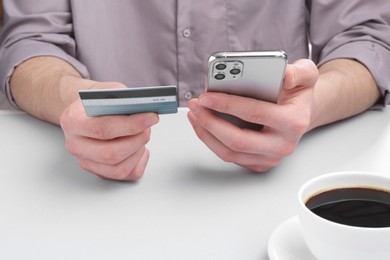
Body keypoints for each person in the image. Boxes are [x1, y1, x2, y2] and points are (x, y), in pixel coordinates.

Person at [0, 1, 389, 181]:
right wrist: (74, 100)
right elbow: (30, 42)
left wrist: (310, 105)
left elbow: (366, 39)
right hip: (90, 185)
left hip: (285, 186)